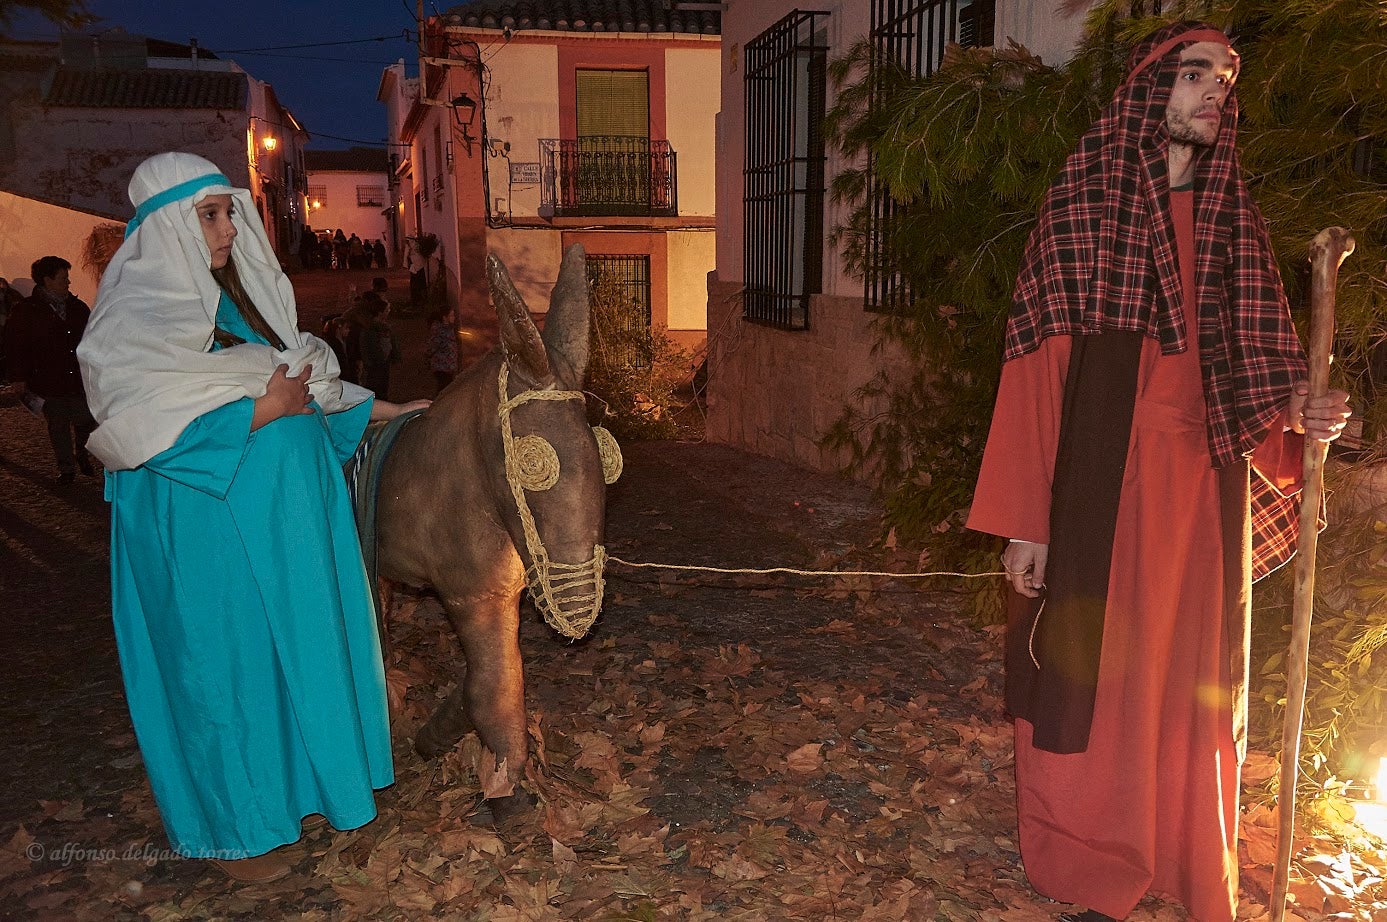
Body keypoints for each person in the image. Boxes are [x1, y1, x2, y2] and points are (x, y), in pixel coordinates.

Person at [966, 23, 1352, 922]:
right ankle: (1090, 849)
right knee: (1090, 668)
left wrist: (1302, 414)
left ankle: (1184, 851)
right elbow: (1034, 372)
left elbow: (1262, 381)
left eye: (1223, 79)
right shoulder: (1085, 206)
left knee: (1188, 680)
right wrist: (1029, 518)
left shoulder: (1231, 222)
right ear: (1148, 89)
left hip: (1198, 491)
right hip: (1097, 482)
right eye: (1194, 76)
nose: (1214, 91)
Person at [77, 152, 429, 884]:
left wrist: (387, 412)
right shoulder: (131, 325)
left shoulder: (237, 306)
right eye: (210, 214)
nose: (229, 226)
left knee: (291, 653)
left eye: (229, 210)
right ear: (168, 225)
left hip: (287, 526)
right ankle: (237, 831)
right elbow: (134, 425)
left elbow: (313, 385)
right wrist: (265, 408)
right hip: (206, 530)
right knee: (224, 666)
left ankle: (300, 796)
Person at [6, 255, 98, 483]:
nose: (68, 283)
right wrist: (19, 377)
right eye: (63, 278)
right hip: (48, 379)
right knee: (58, 425)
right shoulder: (27, 311)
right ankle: (66, 468)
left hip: (77, 378)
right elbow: (16, 346)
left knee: (87, 419)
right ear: (47, 280)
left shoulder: (76, 307)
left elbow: (92, 337)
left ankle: (81, 450)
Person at [424, 303, 459, 394]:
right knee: (443, 390)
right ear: (445, 317)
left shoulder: (449, 329)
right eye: (451, 315)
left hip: (447, 366)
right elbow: (432, 346)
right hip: (442, 367)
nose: (454, 317)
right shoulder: (440, 331)